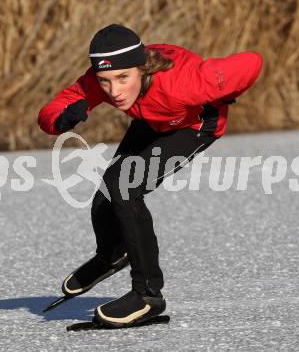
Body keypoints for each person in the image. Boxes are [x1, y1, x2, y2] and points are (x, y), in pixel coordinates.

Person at [38, 23, 263, 327]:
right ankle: (112, 255)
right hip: (153, 120)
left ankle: (147, 296)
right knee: (108, 192)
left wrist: (227, 93)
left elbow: (252, 61)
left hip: (192, 126)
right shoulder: (103, 79)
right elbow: (55, 107)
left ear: (142, 68)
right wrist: (60, 120)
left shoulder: (189, 82)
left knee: (125, 188)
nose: (114, 91)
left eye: (122, 78)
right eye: (105, 81)